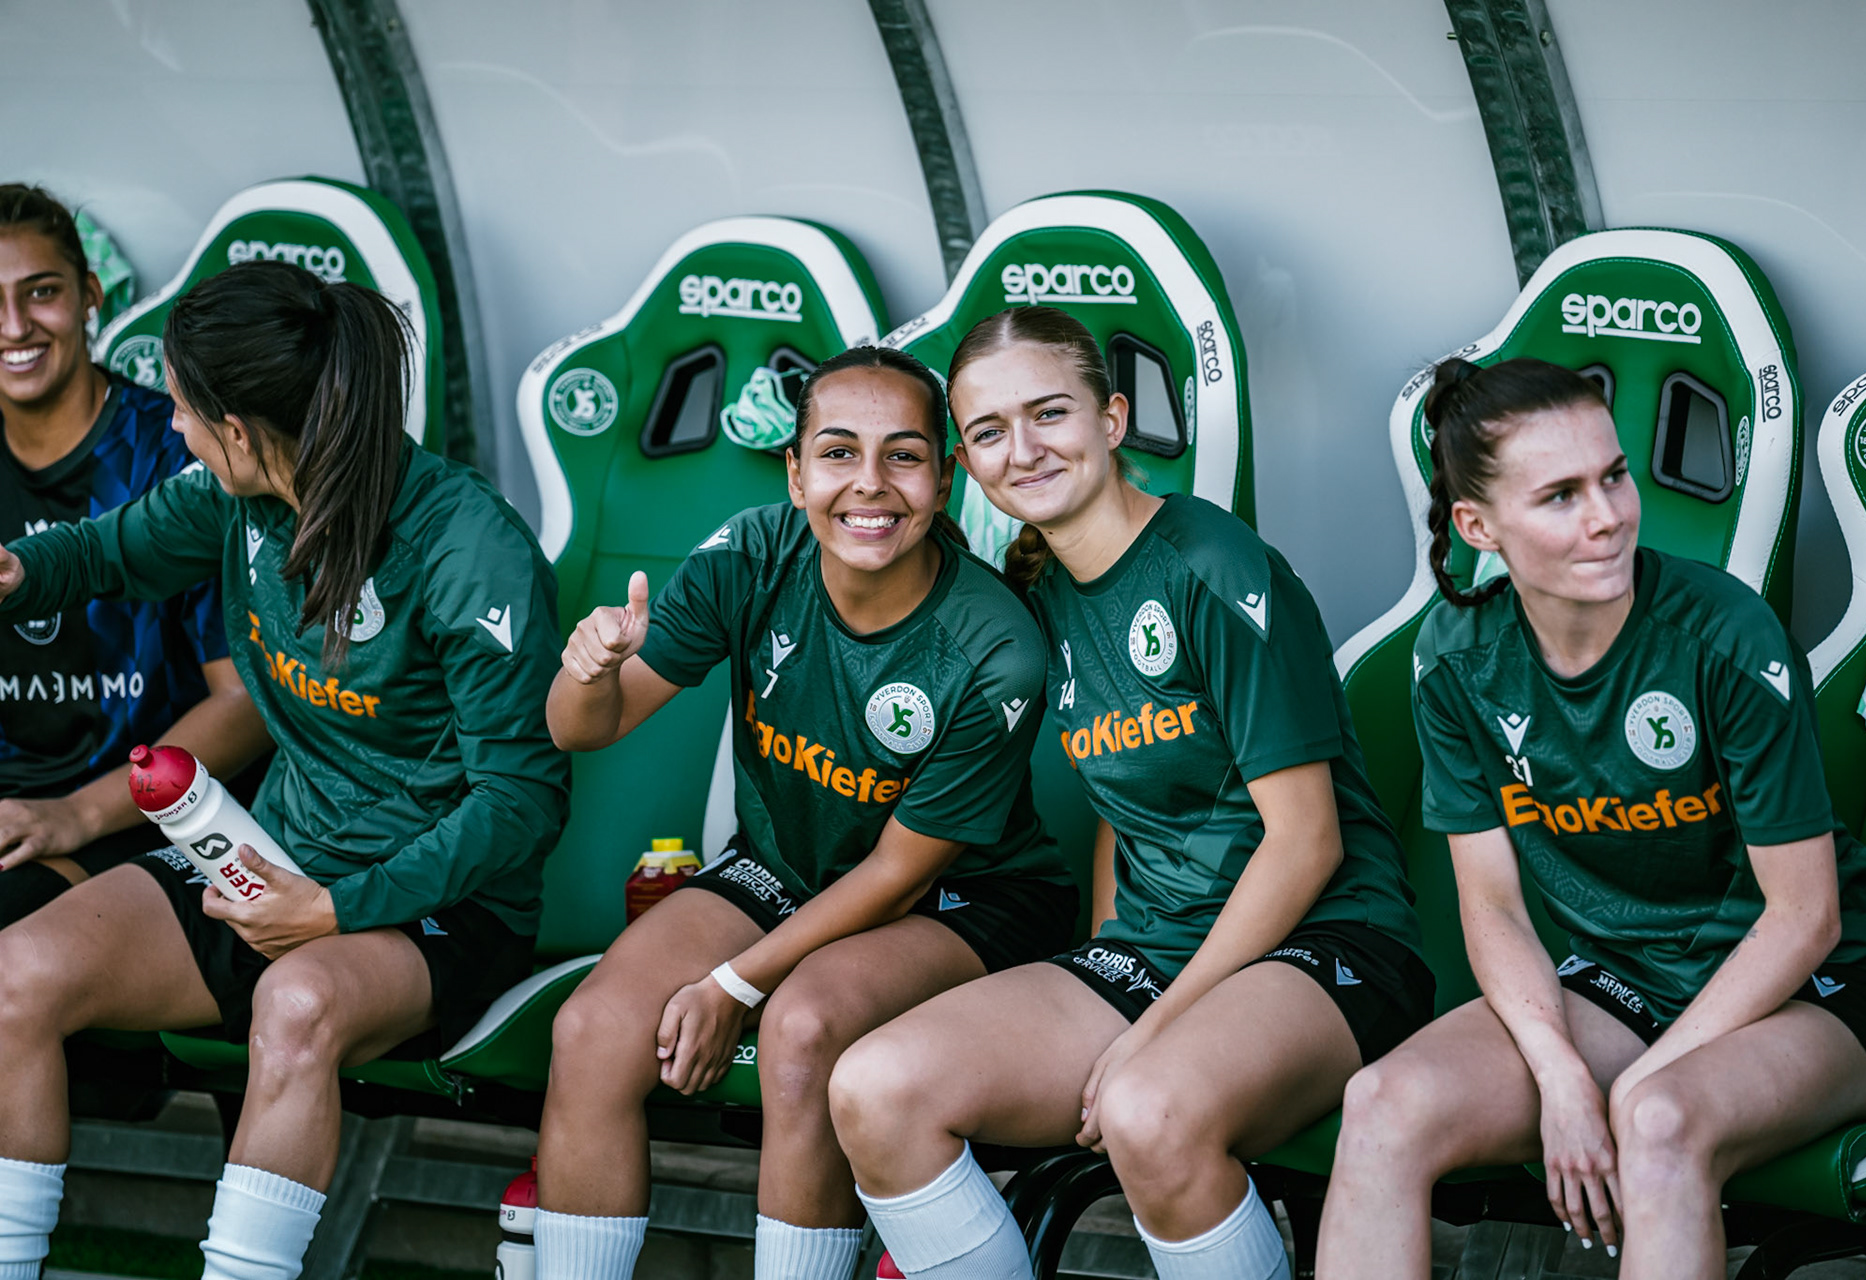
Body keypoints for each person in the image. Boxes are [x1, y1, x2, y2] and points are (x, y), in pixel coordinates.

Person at [828, 305, 1431, 1280]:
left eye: (1049, 412)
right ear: (966, 466)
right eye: (988, 431)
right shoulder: (1040, 592)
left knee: (1151, 1106)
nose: (1022, 448)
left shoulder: (1214, 565)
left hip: (1325, 947)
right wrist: (1114, 958)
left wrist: (1154, 1027)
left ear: (1111, 418)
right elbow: (1127, 807)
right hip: (1155, 949)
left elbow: (1305, 843)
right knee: (873, 1085)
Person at [0, 259, 569, 1280]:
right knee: (16, 976)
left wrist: (339, 906)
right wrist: (19, 570)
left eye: (180, 412)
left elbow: (520, 802)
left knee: (296, 1003)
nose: (170, 429)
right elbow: (114, 550)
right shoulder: (238, 498)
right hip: (274, 856)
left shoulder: (468, 546)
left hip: (438, 905)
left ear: (242, 431)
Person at [1316, 357, 1866, 1280]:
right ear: (1479, 526)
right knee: (1383, 1104)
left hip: (1813, 996)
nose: (1606, 517)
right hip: (1623, 981)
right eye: (1559, 495)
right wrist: (1559, 1074)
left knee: (1657, 1121)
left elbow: (1806, 918)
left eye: (1614, 476)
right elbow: (1495, 906)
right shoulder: (1456, 658)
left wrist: (1638, 1080)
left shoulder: (1723, 634)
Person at [535, 344, 1078, 1280]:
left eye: (904, 455)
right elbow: (589, 729)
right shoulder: (753, 552)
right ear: (794, 473)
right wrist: (587, 671)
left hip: (964, 900)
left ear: (947, 481)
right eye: (837, 452)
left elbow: (900, 872)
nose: (869, 484)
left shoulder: (995, 645)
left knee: (801, 1026)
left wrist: (734, 984)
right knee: (589, 1031)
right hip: (784, 868)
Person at [0, 184, 267, 925]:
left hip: (145, 824)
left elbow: (245, 701)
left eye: (42, 292)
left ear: (90, 295)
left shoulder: (180, 449)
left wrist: (75, 816)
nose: (15, 326)